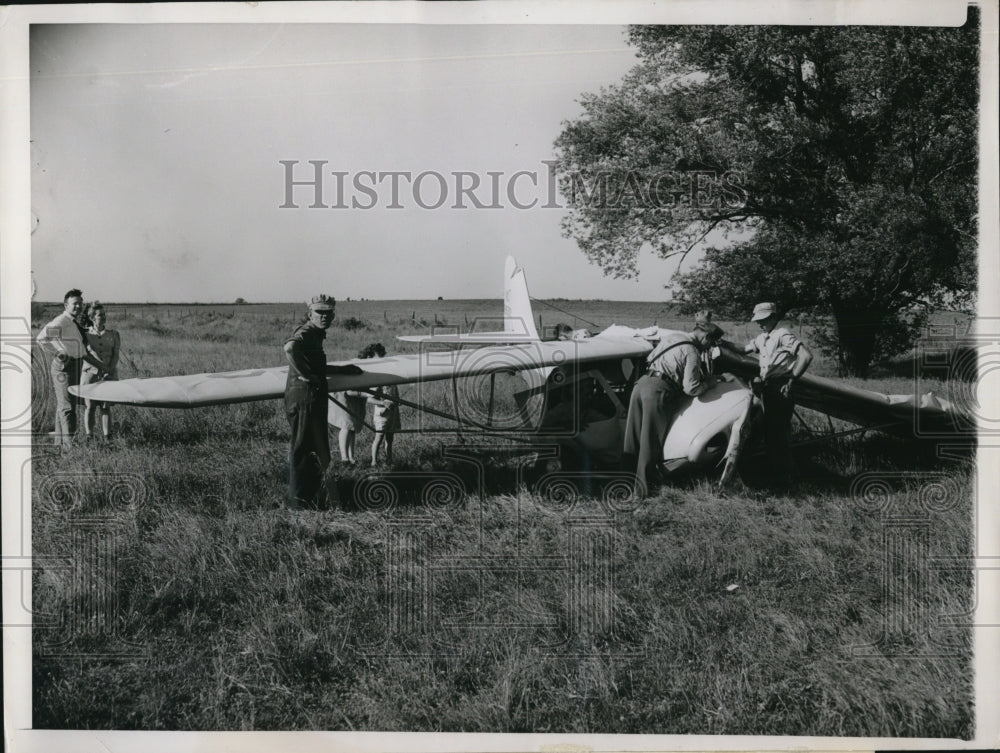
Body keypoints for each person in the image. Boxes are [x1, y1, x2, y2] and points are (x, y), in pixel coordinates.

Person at [622, 319, 724, 493]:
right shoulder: (692, 351)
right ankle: (643, 490)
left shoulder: (673, 337)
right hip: (659, 391)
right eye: (710, 344)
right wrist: (710, 383)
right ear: (706, 337)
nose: (708, 348)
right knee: (650, 441)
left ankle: (623, 481)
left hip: (641, 384)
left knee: (632, 438)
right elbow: (690, 387)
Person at [283, 295, 362, 508]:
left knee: (314, 449)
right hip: (303, 399)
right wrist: (307, 376)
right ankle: (297, 505)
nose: (324, 316)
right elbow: (289, 349)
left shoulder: (316, 334)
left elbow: (316, 366)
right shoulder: (307, 332)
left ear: (333, 315)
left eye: (328, 313)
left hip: (311, 398)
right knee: (302, 450)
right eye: (320, 313)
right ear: (310, 314)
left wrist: (342, 369)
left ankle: (311, 498)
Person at [744, 302, 813, 487]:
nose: (760, 323)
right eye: (758, 320)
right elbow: (743, 350)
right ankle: (778, 474)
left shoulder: (782, 334)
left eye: (764, 320)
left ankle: (789, 478)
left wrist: (792, 379)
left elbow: (806, 356)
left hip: (781, 387)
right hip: (768, 387)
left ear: (773, 317)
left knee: (779, 433)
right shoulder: (762, 338)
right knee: (771, 432)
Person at [36, 289, 108, 446]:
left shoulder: (73, 323)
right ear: (66, 305)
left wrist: (102, 366)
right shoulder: (61, 321)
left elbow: (82, 353)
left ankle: (60, 444)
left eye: (81, 304)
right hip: (64, 367)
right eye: (75, 304)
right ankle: (70, 448)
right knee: (68, 408)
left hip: (75, 365)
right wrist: (59, 353)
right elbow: (42, 339)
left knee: (64, 406)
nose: (79, 307)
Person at [329, 344, 380, 465]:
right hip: (343, 397)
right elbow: (350, 391)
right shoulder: (357, 365)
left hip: (356, 397)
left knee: (353, 427)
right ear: (368, 356)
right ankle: (344, 457)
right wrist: (367, 395)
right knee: (346, 425)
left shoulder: (368, 366)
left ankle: (351, 457)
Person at [79, 301, 121, 440]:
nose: (103, 317)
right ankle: (89, 436)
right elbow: (88, 353)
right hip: (90, 374)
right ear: (92, 317)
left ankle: (107, 437)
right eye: (99, 315)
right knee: (90, 406)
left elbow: (116, 354)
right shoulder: (85, 335)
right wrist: (102, 366)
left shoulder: (114, 334)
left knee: (105, 406)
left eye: (104, 314)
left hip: (109, 374)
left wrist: (110, 369)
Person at [359, 343, 400, 466]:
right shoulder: (376, 379)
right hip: (382, 413)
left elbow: (395, 391)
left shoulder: (390, 374)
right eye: (379, 357)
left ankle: (389, 460)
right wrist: (383, 402)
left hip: (393, 411)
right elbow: (369, 399)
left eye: (383, 356)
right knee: (379, 437)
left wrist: (397, 400)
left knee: (390, 438)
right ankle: (374, 461)